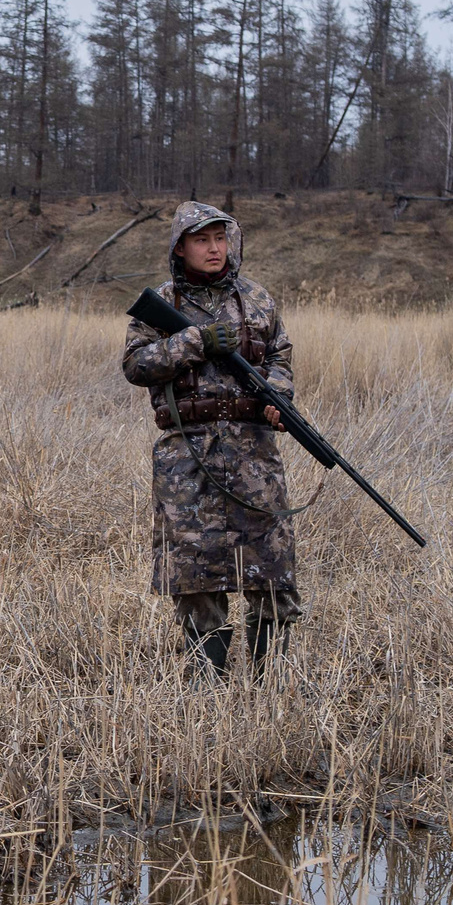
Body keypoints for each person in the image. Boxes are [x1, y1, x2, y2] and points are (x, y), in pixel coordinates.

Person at [121, 202, 307, 678]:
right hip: (188, 457)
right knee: (196, 572)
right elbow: (136, 366)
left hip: (254, 454)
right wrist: (196, 343)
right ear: (180, 247)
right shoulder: (164, 303)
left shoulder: (259, 300)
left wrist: (278, 397)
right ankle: (207, 692)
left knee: (271, 566)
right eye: (202, 240)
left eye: (221, 238)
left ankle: (273, 687)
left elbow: (280, 360)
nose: (214, 248)